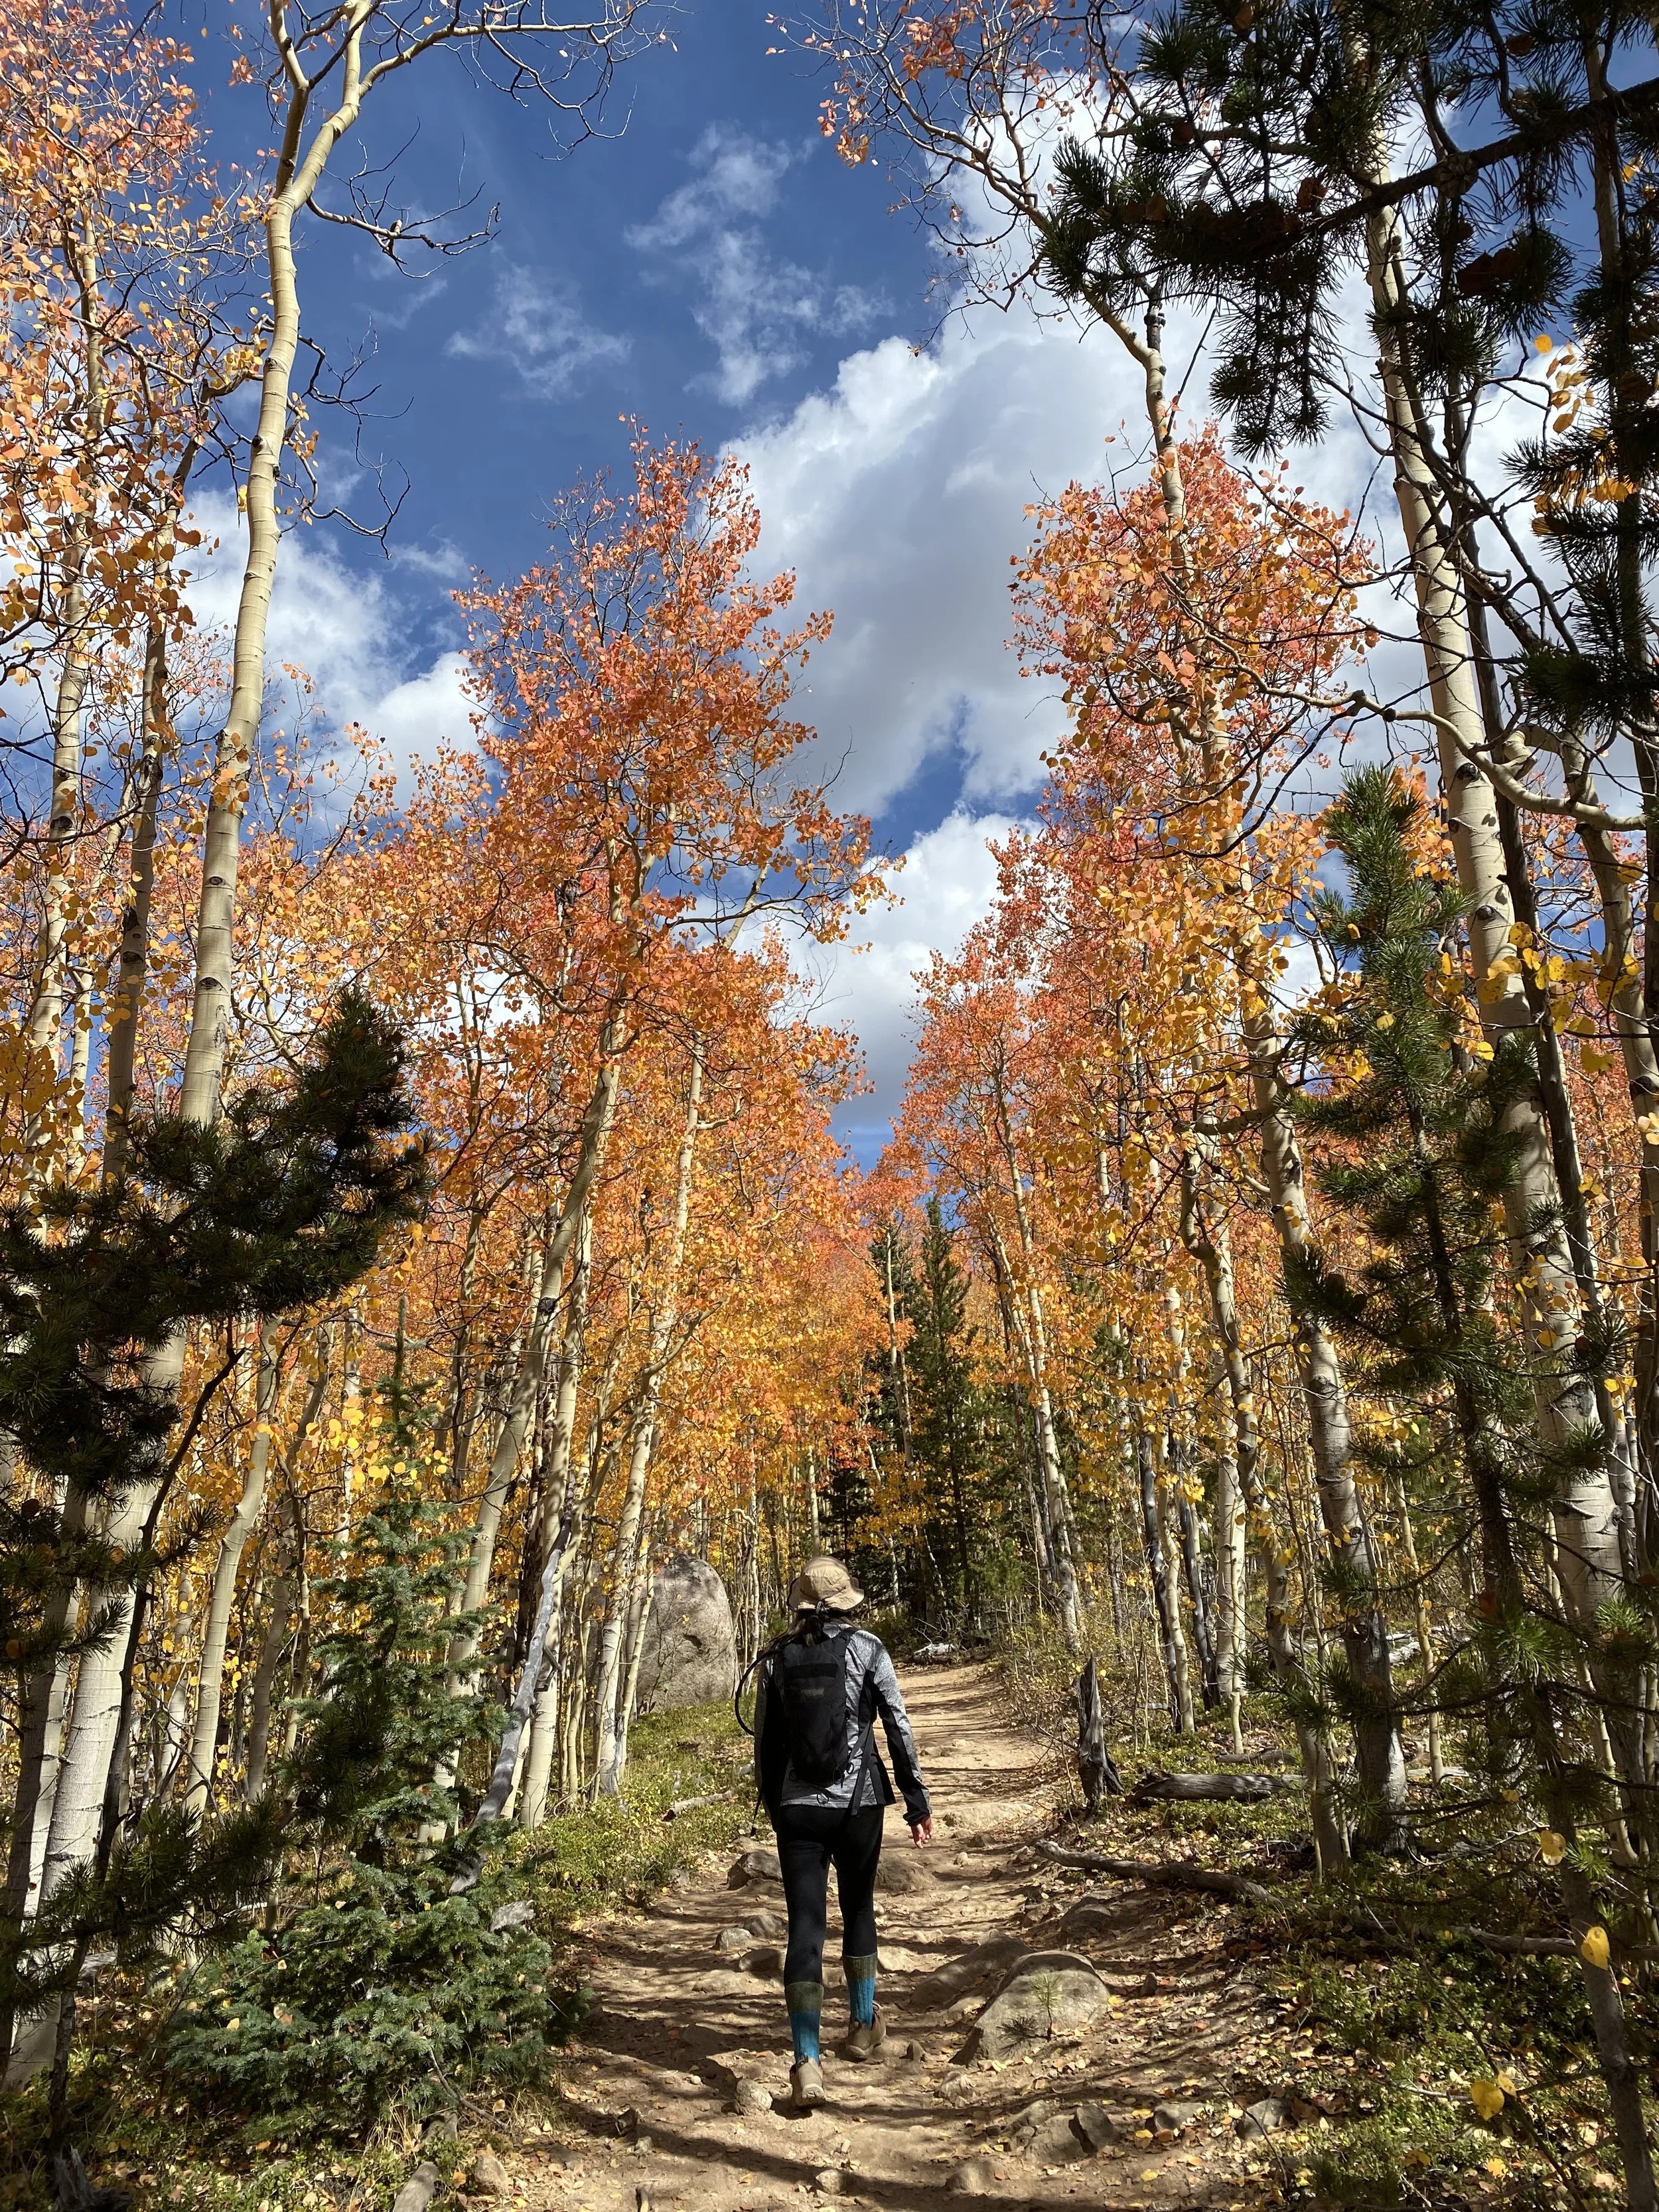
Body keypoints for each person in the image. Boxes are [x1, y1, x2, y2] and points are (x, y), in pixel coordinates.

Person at [751, 1554, 932, 2110]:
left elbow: (764, 1742)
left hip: (797, 1810)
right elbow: (898, 1726)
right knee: (858, 1908)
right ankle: (860, 2026)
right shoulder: (868, 1649)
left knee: (804, 1925)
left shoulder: (775, 1659)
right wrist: (916, 1799)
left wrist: (775, 1806)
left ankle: (806, 2060)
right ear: (843, 1602)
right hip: (860, 1804)